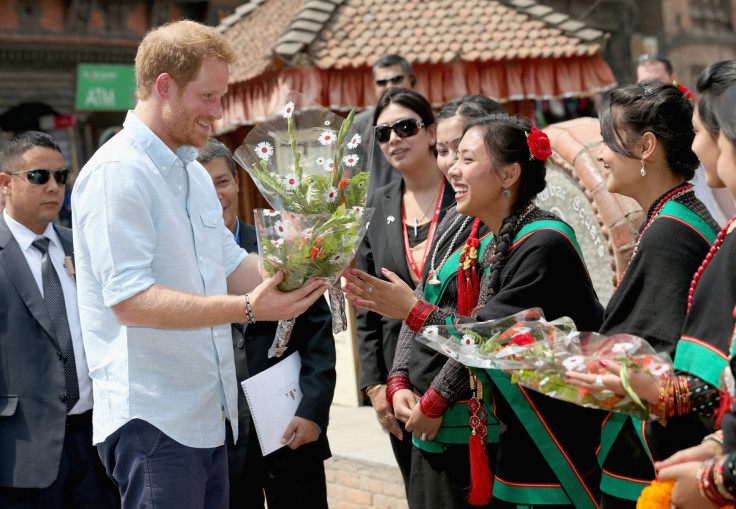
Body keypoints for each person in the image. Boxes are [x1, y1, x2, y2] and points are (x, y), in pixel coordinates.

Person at [71, 20, 328, 509]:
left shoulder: (190, 169)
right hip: (154, 419)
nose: (218, 112)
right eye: (207, 97)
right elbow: (129, 300)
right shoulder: (116, 173)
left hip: (209, 415)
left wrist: (305, 260)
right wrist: (247, 308)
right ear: (163, 85)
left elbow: (231, 263)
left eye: (221, 97)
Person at [346, 114, 605, 508]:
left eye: (467, 159)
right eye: (451, 156)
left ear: (509, 174)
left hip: (538, 438)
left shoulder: (544, 244)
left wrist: (413, 312)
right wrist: (399, 379)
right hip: (472, 431)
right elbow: (428, 293)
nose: (452, 168)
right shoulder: (465, 224)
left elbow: (488, 336)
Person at [590, 80, 721, 508]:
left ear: (646, 146)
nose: (600, 154)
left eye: (608, 141)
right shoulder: (675, 214)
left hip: (652, 461)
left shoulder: (668, 231)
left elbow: (658, 354)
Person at [197, 138, 336, 509]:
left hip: (291, 426)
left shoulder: (282, 247)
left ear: (237, 183)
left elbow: (317, 334)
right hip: (223, 438)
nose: (216, 194)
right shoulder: (184, 263)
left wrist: (313, 411)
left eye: (222, 181)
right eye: (203, 184)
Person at [0, 131, 118, 508]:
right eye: (39, 177)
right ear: (5, 183)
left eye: (61, 177)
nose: (53, 187)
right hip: (21, 451)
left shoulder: (82, 246)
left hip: (97, 439)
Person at [354, 87, 454, 491]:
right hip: (399, 388)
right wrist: (376, 385)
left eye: (406, 127)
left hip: (458, 372)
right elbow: (364, 304)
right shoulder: (375, 206)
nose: (394, 139)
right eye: (383, 133)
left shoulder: (463, 196)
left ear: (431, 133)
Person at [637, 53, 736, 224]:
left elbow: (718, 173)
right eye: (644, 84)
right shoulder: (637, 130)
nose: (652, 89)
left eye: (658, 80)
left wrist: (731, 219)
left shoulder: (696, 115)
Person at [352, 54, 416, 199]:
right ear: (374, 86)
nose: (389, 86)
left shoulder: (432, 120)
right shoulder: (358, 126)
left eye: (396, 79)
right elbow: (350, 176)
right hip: (375, 208)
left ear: (412, 80)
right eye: (381, 82)